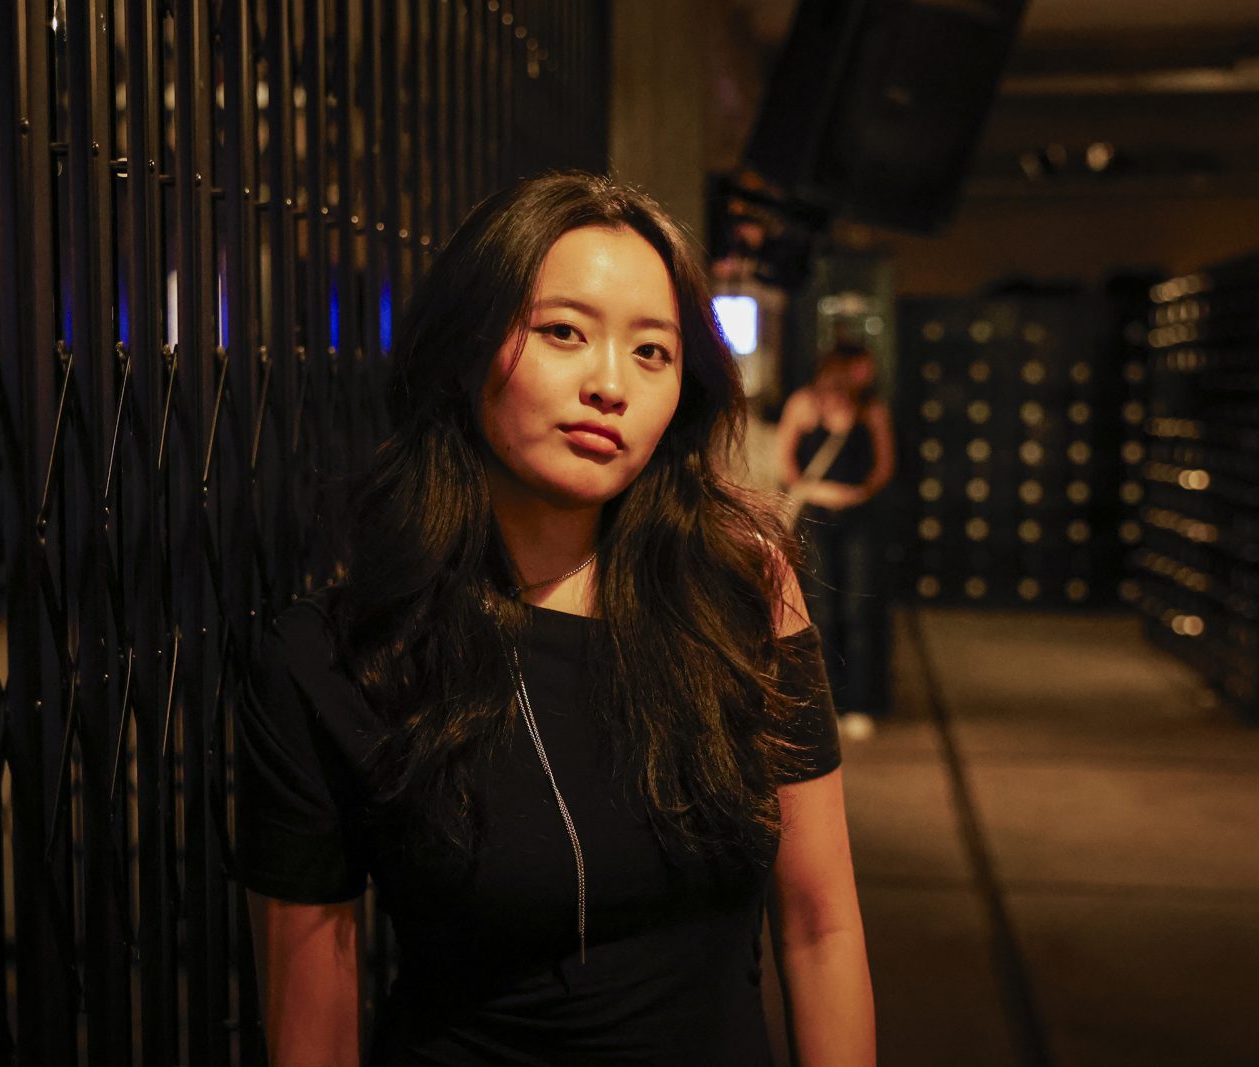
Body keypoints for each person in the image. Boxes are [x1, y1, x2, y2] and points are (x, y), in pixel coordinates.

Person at [235, 172, 875, 1066]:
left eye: (651, 351)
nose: (610, 384)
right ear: (465, 349)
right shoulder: (339, 656)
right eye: (564, 332)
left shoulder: (743, 596)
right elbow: (314, 1018)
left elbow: (820, 923)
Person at [775, 345, 896, 737]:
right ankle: (822, 702)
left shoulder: (870, 410)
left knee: (858, 608)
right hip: (815, 517)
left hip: (857, 519)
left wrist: (859, 493)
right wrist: (816, 491)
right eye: (860, 367)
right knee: (820, 609)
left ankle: (859, 702)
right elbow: (785, 461)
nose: (867, 374)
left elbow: (883, 465)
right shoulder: (804, 405)